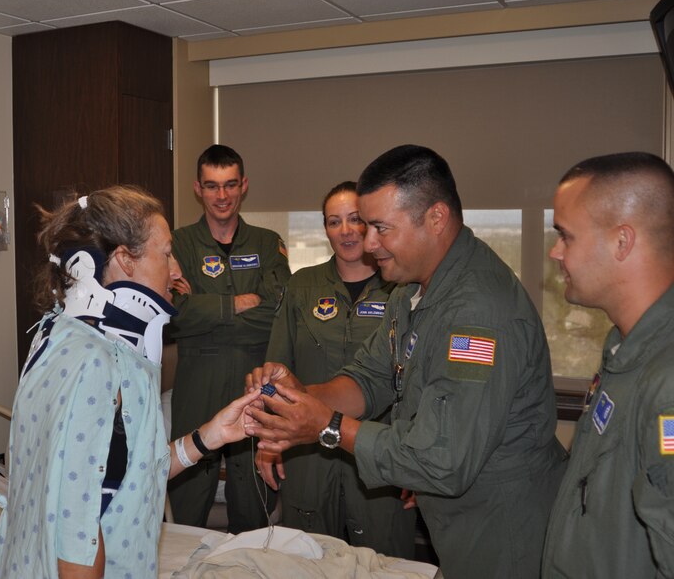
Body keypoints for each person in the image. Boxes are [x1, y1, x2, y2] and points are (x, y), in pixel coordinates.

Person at [245, 145, 566, 579]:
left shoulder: (476, 313)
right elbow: (370, 377)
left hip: (502, 531)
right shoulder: (411, 290)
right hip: (456, 522)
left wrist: (327, 425)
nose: (368, 243)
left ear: (435, 219)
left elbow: (440, 460)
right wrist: (300, 398)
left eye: (380, 228)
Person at [0, 185, 263, 579]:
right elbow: (79, 528)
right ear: (124, 259)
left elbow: (130, 479)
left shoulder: (56, 336)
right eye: (167, 254)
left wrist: (210, 437)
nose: (177, 271)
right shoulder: (97, 362)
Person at [261, 181, 416, 556]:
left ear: (371, 225)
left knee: (384, 559)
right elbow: (274, 373)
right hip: (308, 452)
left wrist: (417, 460)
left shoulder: (402, 290)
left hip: (380, 450)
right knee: (308, 557)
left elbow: (419, 380)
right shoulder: (302, 287)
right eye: (334, 222)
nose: (346, 231)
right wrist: (270, 440)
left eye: (355, 220)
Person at [542, 152, 674, 578]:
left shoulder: (667, 382)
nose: (554, 252)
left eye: (566, 236)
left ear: (622, 241)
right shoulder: (625, 348)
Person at [168, 144, 291, 533]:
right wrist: (238, 302)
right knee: (187, 494)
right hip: (197, 379)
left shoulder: (267, 244)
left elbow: (278, 313)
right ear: (197, 189)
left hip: (254, 379)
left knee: (252, 497)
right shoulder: (178, 244)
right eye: (212, 186)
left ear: (244, 187)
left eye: (230, 185)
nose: (221, 196)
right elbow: (174, 317)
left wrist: (202, 308)